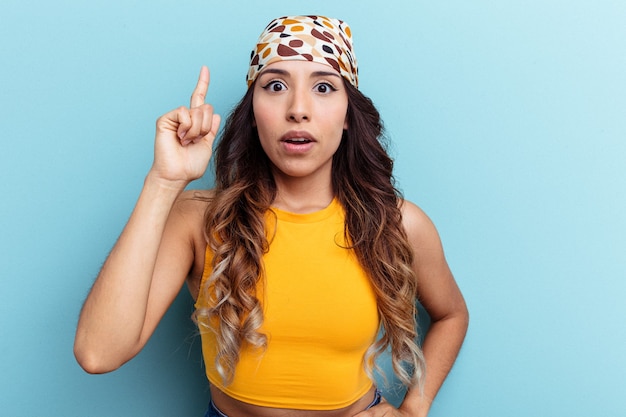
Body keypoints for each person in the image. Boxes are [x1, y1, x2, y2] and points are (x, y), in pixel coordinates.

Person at [74, 15, 469, 417]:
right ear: (253, 112)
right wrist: (164, 181)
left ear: (348, 115)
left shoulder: (397, 223)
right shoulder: (200, 219)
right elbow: (97, 353)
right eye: (276, 86)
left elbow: (452, 315)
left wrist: (415, 408)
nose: (298, 109)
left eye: (323, 87)